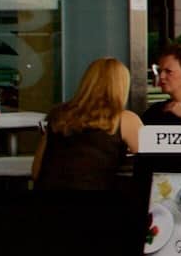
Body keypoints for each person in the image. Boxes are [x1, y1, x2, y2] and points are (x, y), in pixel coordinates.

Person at [32, 57, 142, 190]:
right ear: (122, 86)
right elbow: (152, 162)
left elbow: (36, 170)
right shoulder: (124, 119)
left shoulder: (58, 115)